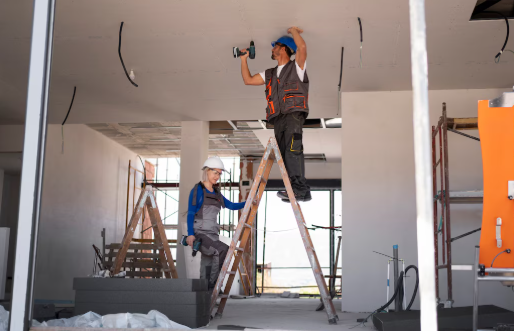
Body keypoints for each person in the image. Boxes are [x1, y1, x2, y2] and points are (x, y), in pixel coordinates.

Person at [239, 26, 311, 202]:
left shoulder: (297, 67)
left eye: (275, 46)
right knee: (284, 155)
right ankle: (296, 189)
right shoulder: (270, 74)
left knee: (293, 150)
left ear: (284, 48)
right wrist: (243, 59)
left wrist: (294, 31)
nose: (272, 49)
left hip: (293, 114)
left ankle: (300, 189)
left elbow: (302, 48)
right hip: (278, 118)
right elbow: (248, 80)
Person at [186, 156, 245, 291]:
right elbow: (190, 213)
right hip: (200, 233)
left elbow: (231, 205)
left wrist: (248, 203)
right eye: (215, 172)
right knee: (222, 249)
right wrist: (190, 234)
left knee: (207, 265)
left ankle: (204, 295)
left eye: (220, 173)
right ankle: (214, 286)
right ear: (207, 171)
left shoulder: (217, 193)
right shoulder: (197, 190)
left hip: (212, 234)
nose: (218, 176)